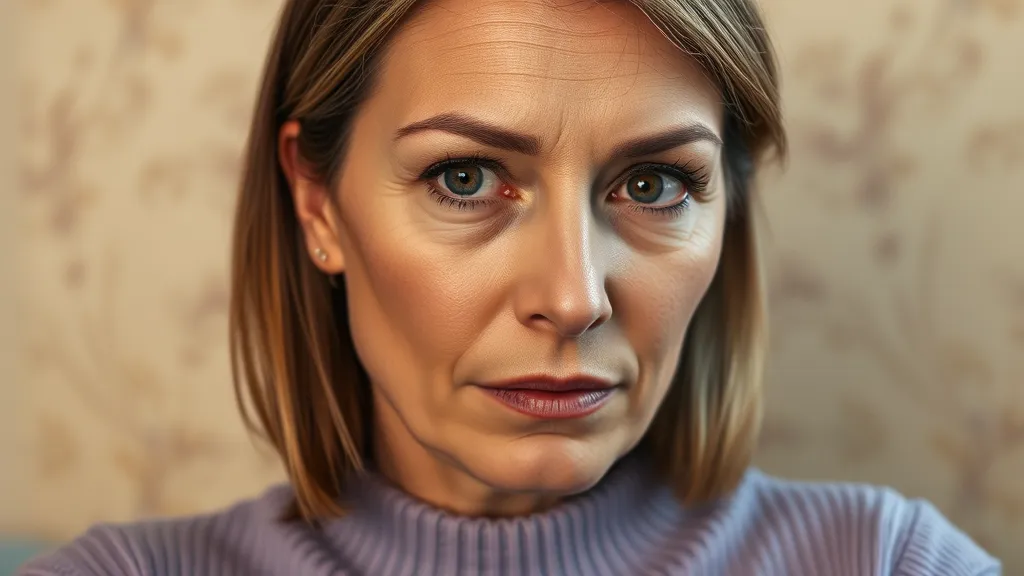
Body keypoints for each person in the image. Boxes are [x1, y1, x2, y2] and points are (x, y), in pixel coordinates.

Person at [21, 0, 1002, 574]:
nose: (573, 299)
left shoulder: (883, 562)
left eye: (653, 184)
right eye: (464, 177)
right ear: (317, 204)